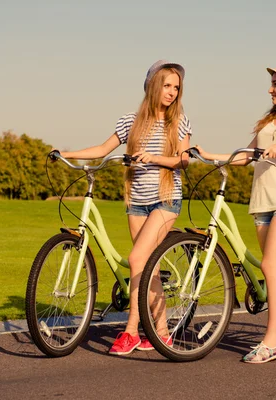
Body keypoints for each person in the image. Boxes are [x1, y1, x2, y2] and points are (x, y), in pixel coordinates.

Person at [57, 60, 192, 355]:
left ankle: (130, 331)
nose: (171, 92)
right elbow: (103, 150)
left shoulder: (178, 122)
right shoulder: (128, 122)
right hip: (137, 203)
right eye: (167, 85)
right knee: (145, 267)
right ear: (152, 85)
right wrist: (66, 153)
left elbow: (183, 160)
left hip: (165, 200)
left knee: (136, 258)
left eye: (176, 88)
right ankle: (162, 333)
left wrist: (153, 158)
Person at [196, 57, 276, 363]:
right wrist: (211, 156)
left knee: (269, 266)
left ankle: (271, 341)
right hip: (263, 203)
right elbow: (247, 155)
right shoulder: (268, 122)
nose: (270, 90)